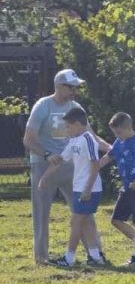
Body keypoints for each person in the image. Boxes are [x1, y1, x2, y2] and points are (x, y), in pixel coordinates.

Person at [24, 69, 87, 263]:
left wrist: (111, 148)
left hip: (70, 165)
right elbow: (28, 140)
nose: (74, 91)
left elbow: (89, 135)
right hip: (44, 165)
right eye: (71, 87)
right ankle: (41, 256)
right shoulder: (43, 106)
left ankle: (95, 253)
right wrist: (47, 154)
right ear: (59, 86)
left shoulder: (75, 107)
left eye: (76, 87)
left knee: (82, 209)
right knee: (41, 212)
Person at [45, 107, 106, 268]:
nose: (67, 130)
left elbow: (95, 166)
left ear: (78, 124)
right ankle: (95, 257)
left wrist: (87, 189)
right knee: (85, 223)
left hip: (90, 189)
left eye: (68, 126)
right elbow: (60, 160)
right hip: (79, 188)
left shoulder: (88, 139)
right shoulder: (74, 141)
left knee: (76, 222)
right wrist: (44, 178)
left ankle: (69, 258)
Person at [99, 112, 135, 265]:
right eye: (115, 133)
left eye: (118, 132)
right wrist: (93, 166)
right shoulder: (119, 142)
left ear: (127, 128)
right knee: (116, 220)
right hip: (126, 188)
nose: (116, 135)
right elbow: (107, 158)